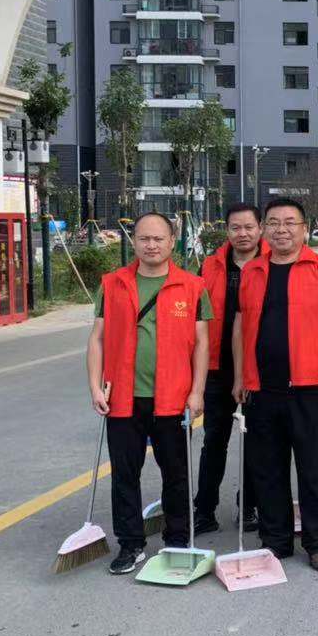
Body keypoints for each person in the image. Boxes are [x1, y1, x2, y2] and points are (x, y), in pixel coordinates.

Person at [86, 212, 211, 575]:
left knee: (176, 473)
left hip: (174, 398)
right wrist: (95, 386)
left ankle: (178, 539)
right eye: (144, 238)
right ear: (134, 241)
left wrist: (197, 391)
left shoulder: (193, 286)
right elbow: (97, 339)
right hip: (122, 397)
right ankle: (130, 543)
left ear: (172, 241)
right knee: (125, 474)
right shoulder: (112, 284)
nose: (151, 245)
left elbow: (202, 344)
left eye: (158, 239)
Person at [232, 197, 318, 573]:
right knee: (267, 468)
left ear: (304, 229)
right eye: (274, 223)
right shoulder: (251, 271)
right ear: (264, 229)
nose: (281, 229)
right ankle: (276, 540)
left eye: (290, 222)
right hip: (261, 388)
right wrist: (239, 376)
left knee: (314, 469)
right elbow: (240, 326)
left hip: (310, 387)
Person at [194, 202, 266, 535]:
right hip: (216, 367)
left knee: (255, 441)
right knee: (214, 440)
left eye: (249, 227)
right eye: (236, 228)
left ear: (260, 229)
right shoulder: (209, 266)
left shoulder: (273, 264)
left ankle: (249, 506)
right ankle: (204, 510)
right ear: (227, 231)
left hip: (258, 367)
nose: (243, 234)